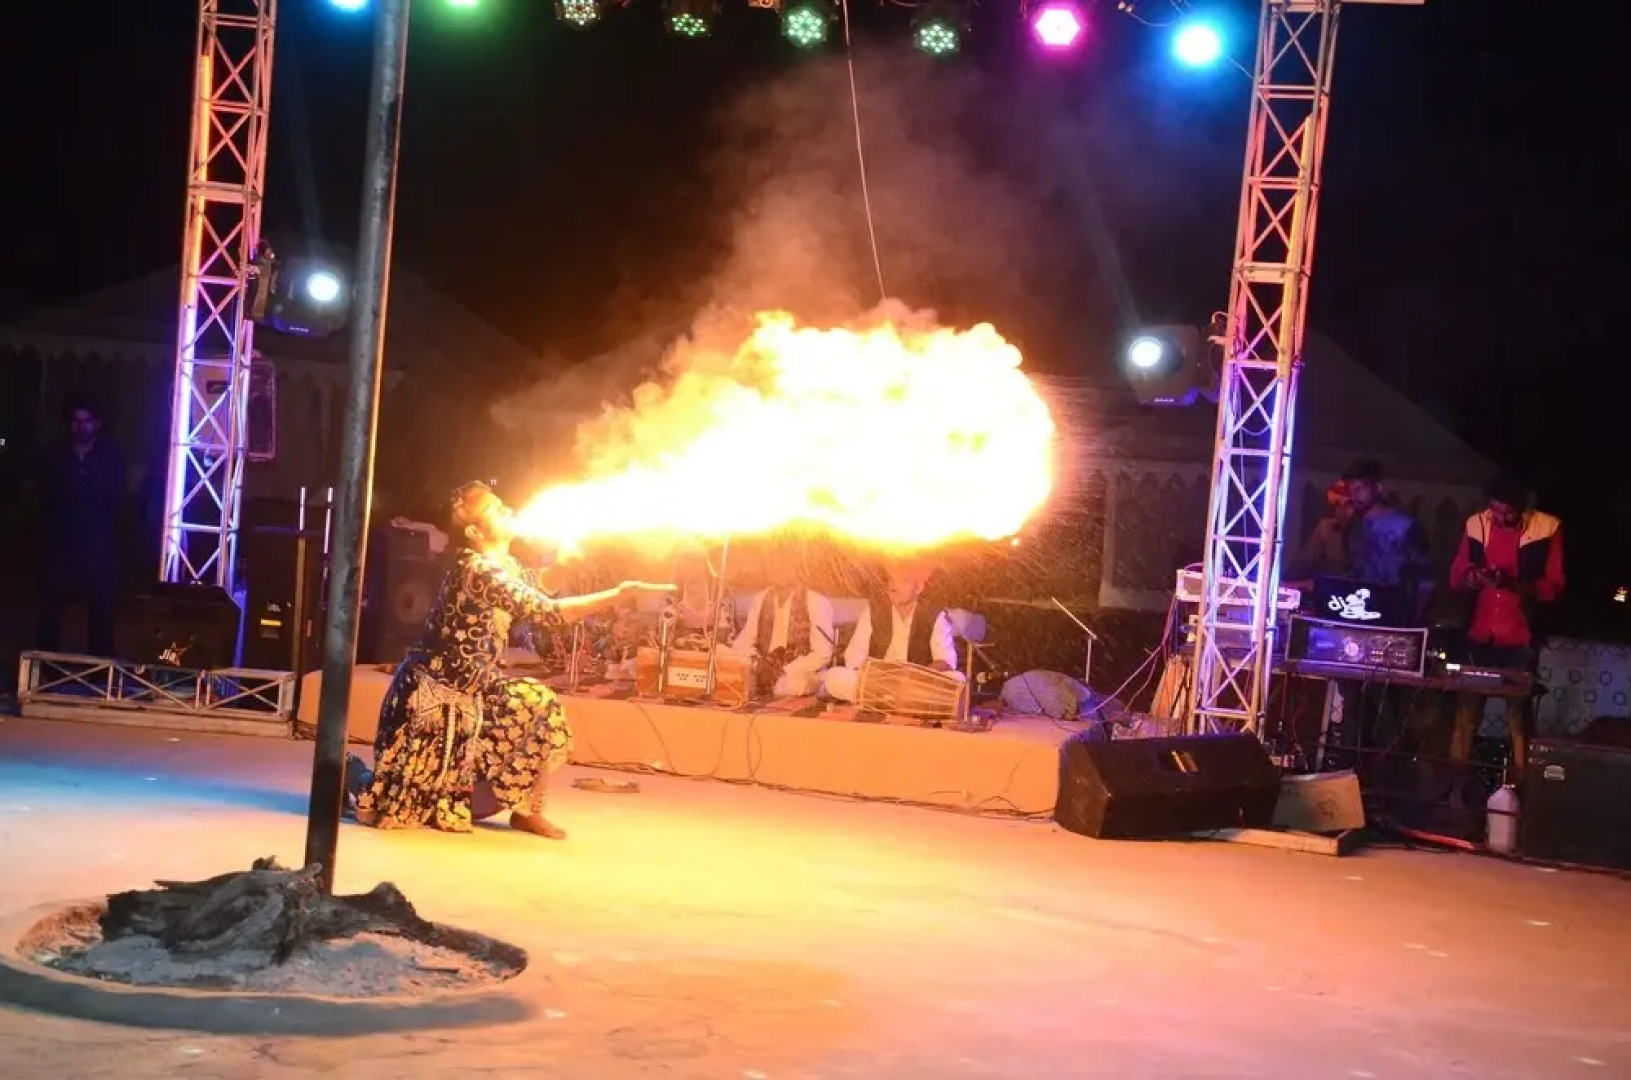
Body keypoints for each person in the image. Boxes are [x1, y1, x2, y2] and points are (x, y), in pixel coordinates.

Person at [352, 482, 673, 839]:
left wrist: (566, 560)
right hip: (430, 701)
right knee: (394, 809)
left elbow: (540, 583)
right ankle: (350, 777)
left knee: (539, 703)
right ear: (475, 531)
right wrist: (619, 595)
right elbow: (546, 610)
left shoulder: (504, 565)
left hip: (476, 696)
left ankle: (525, 811)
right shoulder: (478, 569)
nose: (506, 510)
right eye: (493, 509)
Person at [1447, 472, 1564, 774]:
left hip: (1520, 636)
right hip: (1479, 632)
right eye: (1495, 510)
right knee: (1465, 718)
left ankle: (1523, 791)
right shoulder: (1476, 524)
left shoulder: (1547, 528)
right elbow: (1456, 575)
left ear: (1522, 508)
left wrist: (1513, 584)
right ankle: (1454, 791)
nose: (1500, 517)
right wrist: (1473, 578)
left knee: (1519, 724)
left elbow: (1554, 585)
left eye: (1508, 512)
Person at [36, 394, 127, 656]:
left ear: (97, 423)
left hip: (98, 546)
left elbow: (116, 498)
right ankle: (44, 670)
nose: (81, 427)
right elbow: (45, 494)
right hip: (60, 545)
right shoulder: (56, 453)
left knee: (101, 613)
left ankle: (99, 675)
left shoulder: (110, 456)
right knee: (50, 612)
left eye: (86, 421)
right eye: (76, 421)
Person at [824, 562, 962, 703]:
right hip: (877, 683)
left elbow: (945, 661)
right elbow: (854, 657)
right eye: (891, 580)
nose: (893, 586)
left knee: (956, 678)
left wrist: (911, 677)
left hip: (914, 684)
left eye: (903, 581)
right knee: (834, 676)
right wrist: (879, 676)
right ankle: (891, 700)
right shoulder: (874, 612)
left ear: (919, 588)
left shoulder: (934, 616)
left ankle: (886, 699)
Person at [730, 547, 834, 697]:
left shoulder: (815, 601)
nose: (779, 569)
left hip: (798, 673)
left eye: (785, 564)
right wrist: (757, 663)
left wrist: (782, 671)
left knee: (794, 684)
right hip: (764, 667)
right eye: (774, 564)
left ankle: (764, 688)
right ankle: (760, 684)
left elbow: (823, 654)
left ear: (798, 568)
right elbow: (742, 643)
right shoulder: (762, 598)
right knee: (721, 653)